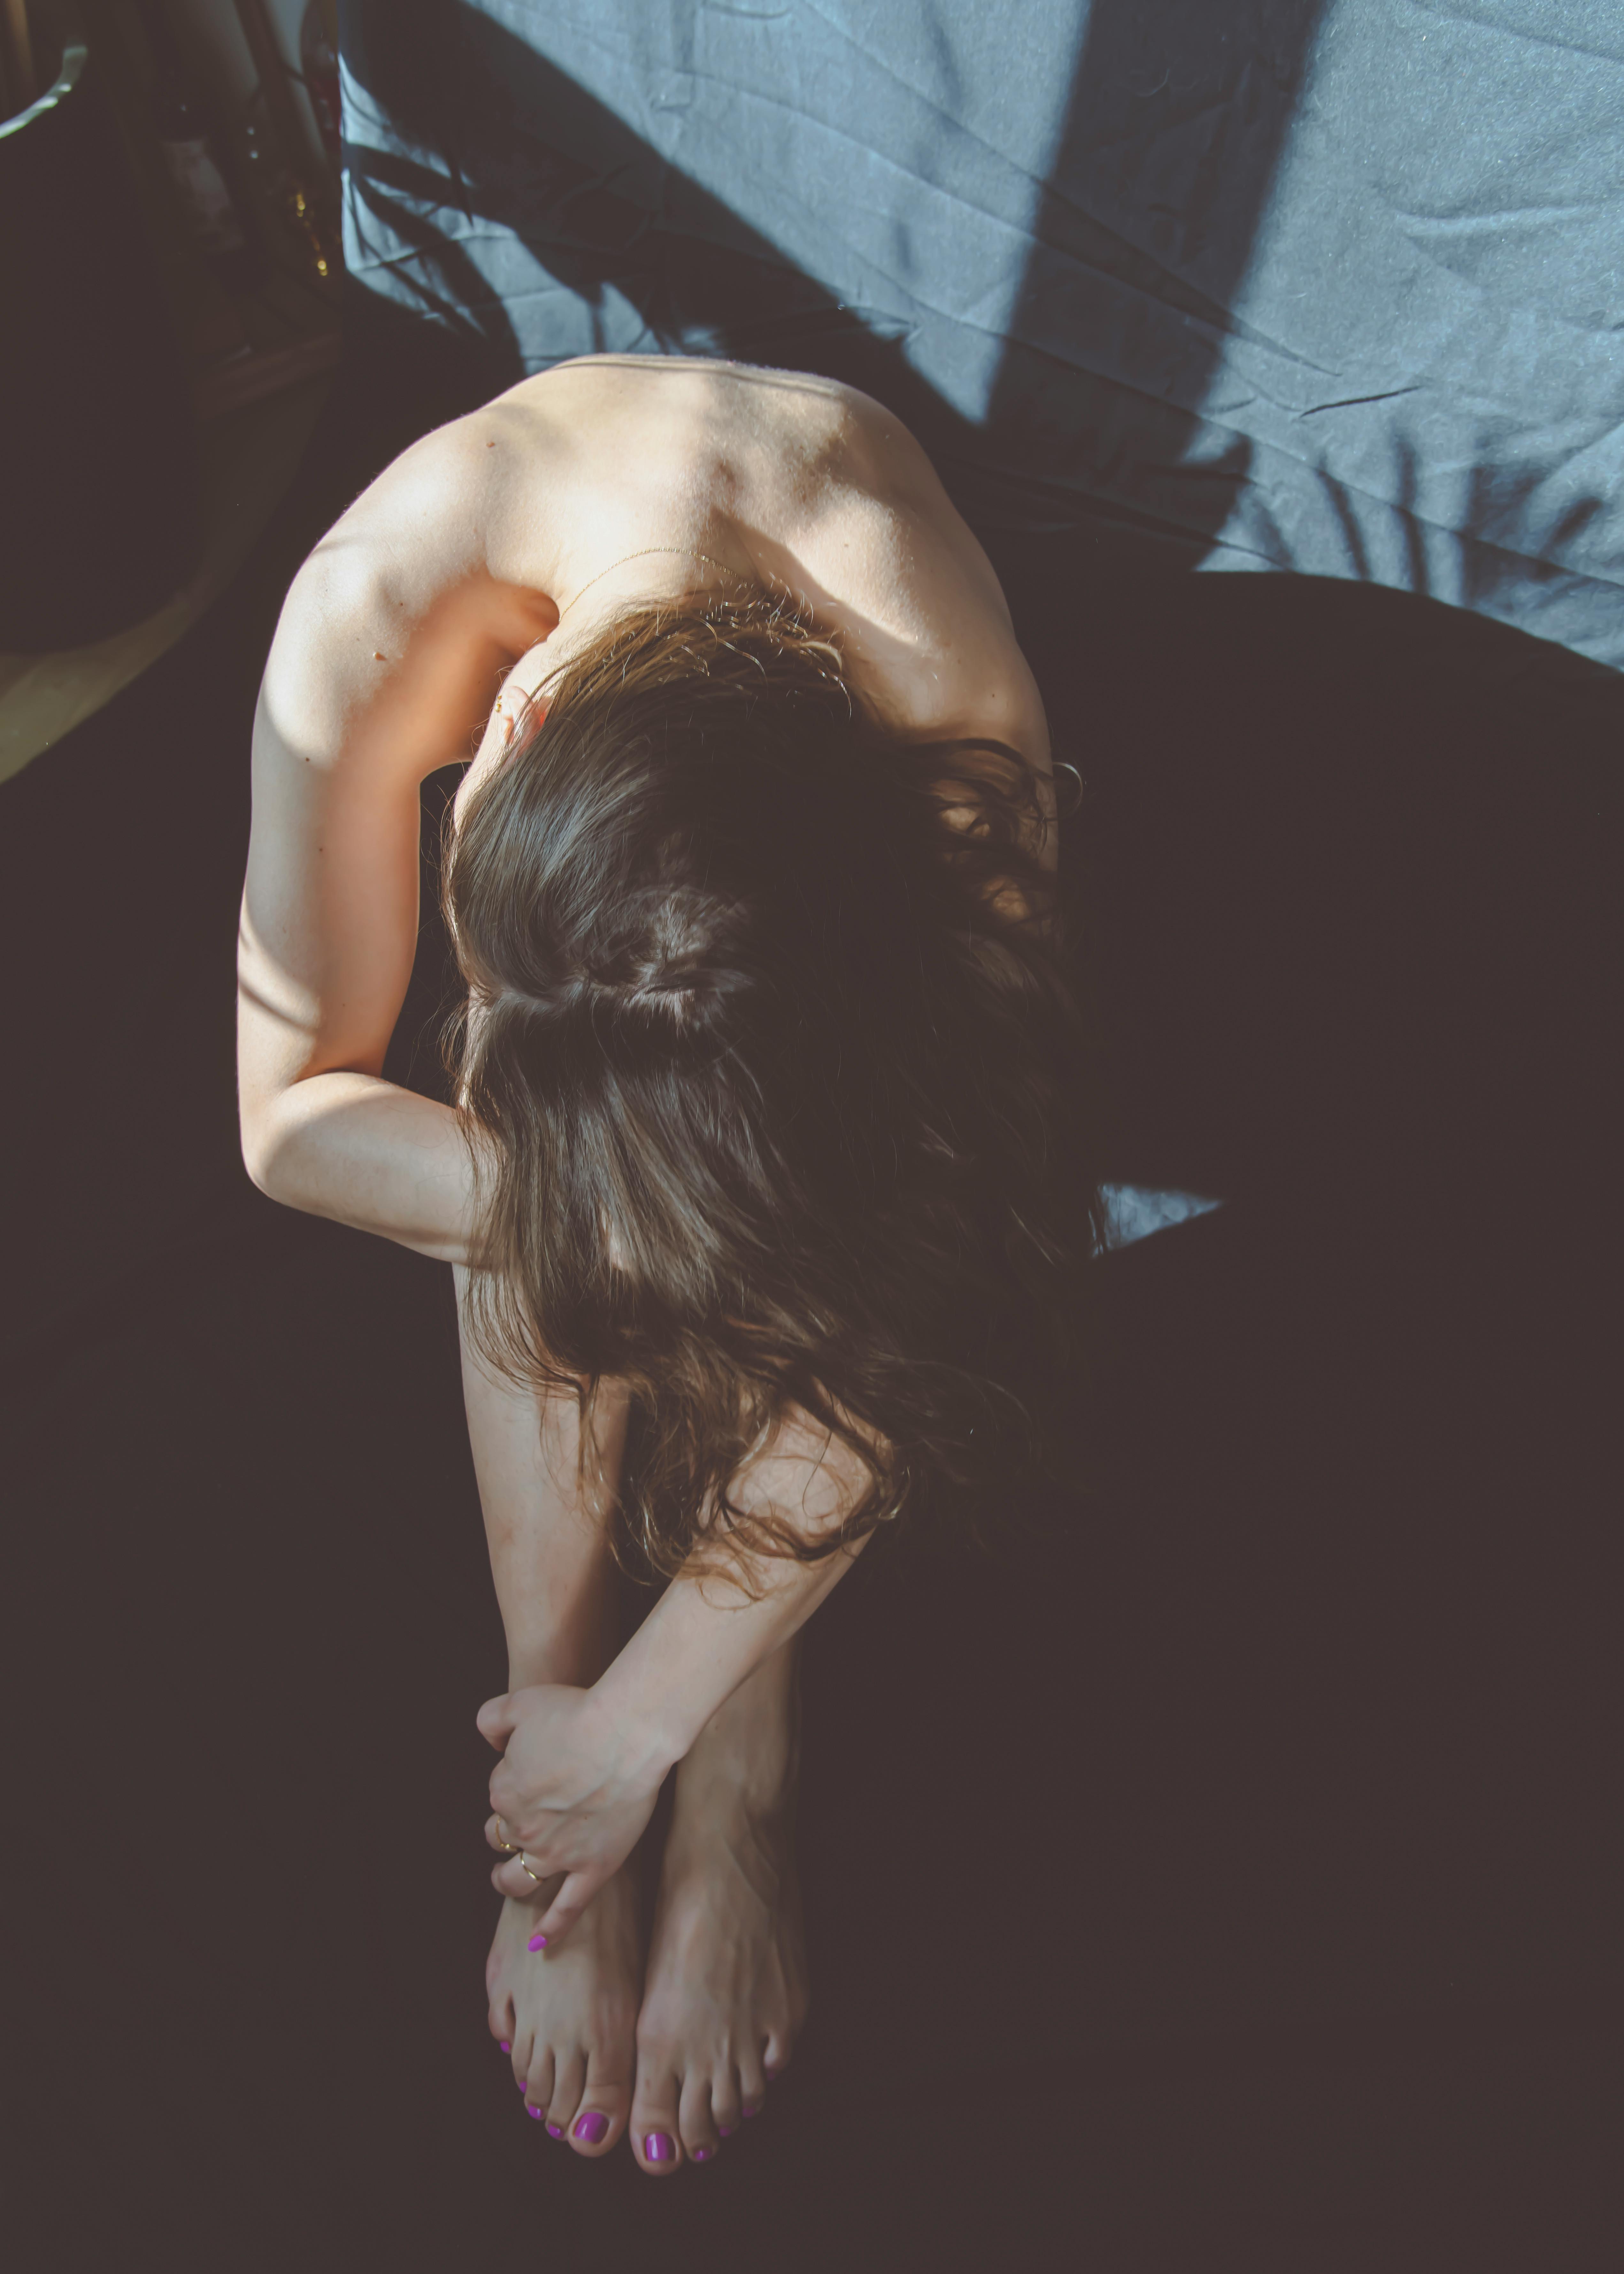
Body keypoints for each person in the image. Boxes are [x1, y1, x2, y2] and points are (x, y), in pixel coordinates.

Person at [237, 353, 1101, 2175]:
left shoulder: (942, 723)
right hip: (619, 998)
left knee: (802, 1218)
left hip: (821, 991)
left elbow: (942, 1271)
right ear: (522, 733)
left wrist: (658, 1724)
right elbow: (290, 1110)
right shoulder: (381, 613)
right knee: (558, 1182)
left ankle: (732, 1765)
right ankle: (541, 1722)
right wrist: (588, 1212)